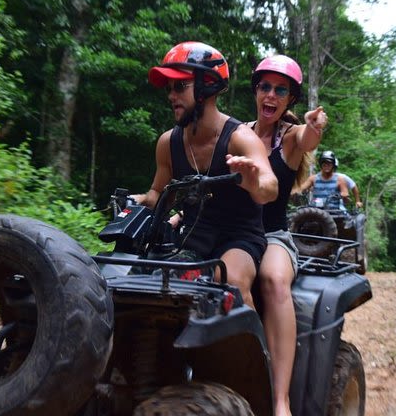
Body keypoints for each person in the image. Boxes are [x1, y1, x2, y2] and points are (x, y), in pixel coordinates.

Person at [132, 42, 278, 309]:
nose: (171, 96)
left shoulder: (239, 138)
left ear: (206, 86)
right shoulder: (168, 143)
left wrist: (252, 181)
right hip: (194, 237)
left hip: (240, 238)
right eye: (169, 88)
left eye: (179, 86)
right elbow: (158, 193)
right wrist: (138, 201)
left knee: (230, 279)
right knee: (144, 279)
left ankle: (256, 351)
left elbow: (271, 187)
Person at [249, 55, 327, 416]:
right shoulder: (238, 134)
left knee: (274, 280)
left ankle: (280, 401)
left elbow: (308, 139)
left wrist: (315, 127)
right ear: (256, 91)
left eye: (281, 90)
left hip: (273, 236)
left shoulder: (290, 138)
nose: (271, 94)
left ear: (290, 101)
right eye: (265, 86)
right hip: (234, 233)